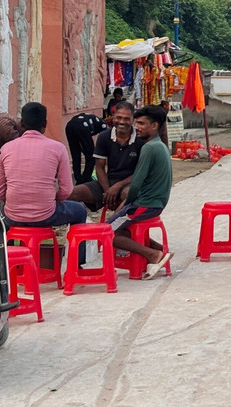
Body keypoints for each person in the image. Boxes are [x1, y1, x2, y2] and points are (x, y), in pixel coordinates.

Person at [0, 102, 87, 228]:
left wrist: (17, 203)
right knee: (80, 211)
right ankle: (74, 248)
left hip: (12, 217)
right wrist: (50, 199)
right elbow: (66, 190)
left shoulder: (6, 149)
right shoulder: (58, 148)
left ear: (21, 123)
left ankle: (9, 248)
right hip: (46, 215)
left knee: (3, 221)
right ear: (45, 124)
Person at [108, 105, 173, 279]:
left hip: (146, 203)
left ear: (154, 126)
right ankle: (159, 250)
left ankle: (153, 255)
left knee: (106, 232)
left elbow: (136, 183)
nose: (137, 127)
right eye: (136, 123)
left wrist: (125, 204)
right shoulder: (159, 146)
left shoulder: (149, 148)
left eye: (142, 123)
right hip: (155, 202)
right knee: (120, 228)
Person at [69, 101, 139, 211]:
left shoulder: (140, 140)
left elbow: (141, 172)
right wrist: (108, 191)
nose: (122, 122)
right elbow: (100, 168)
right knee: (70, 194)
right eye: (118, 117)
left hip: (130, 183)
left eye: (126, 119)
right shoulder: (104, 136)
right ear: (113, 117)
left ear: (133, 119)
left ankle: (115, 225)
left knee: (130, 196)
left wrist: (118, 186)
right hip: (107, 182)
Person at [64, 111, 105, 186]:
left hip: (69, 126)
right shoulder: (103, 125)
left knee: (75, 154)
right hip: (82, 126)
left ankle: (78, 178)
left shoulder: (94, 120)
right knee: (91, 156)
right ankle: (86, 179)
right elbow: (105, 141)